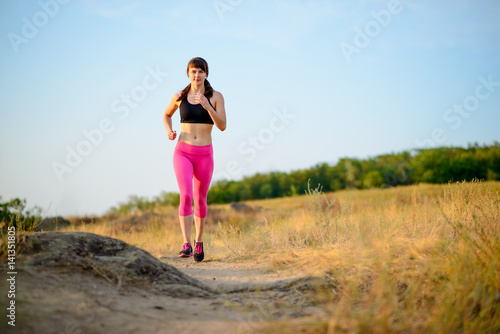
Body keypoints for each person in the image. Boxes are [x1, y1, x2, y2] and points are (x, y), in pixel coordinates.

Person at [163, 57, 226, 262]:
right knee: (186, 195)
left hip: (205, 154)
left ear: (206, 74)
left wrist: (208, 106)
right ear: (188, 74)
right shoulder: (179, 96)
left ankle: (199, 242)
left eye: (200, 71)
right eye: (193, 71)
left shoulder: (215, 97)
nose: (197, 75)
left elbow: (223, 125)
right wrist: (169, 130)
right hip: (183, 152)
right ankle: (186, 243)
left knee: (200, 199)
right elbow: (166, 114)